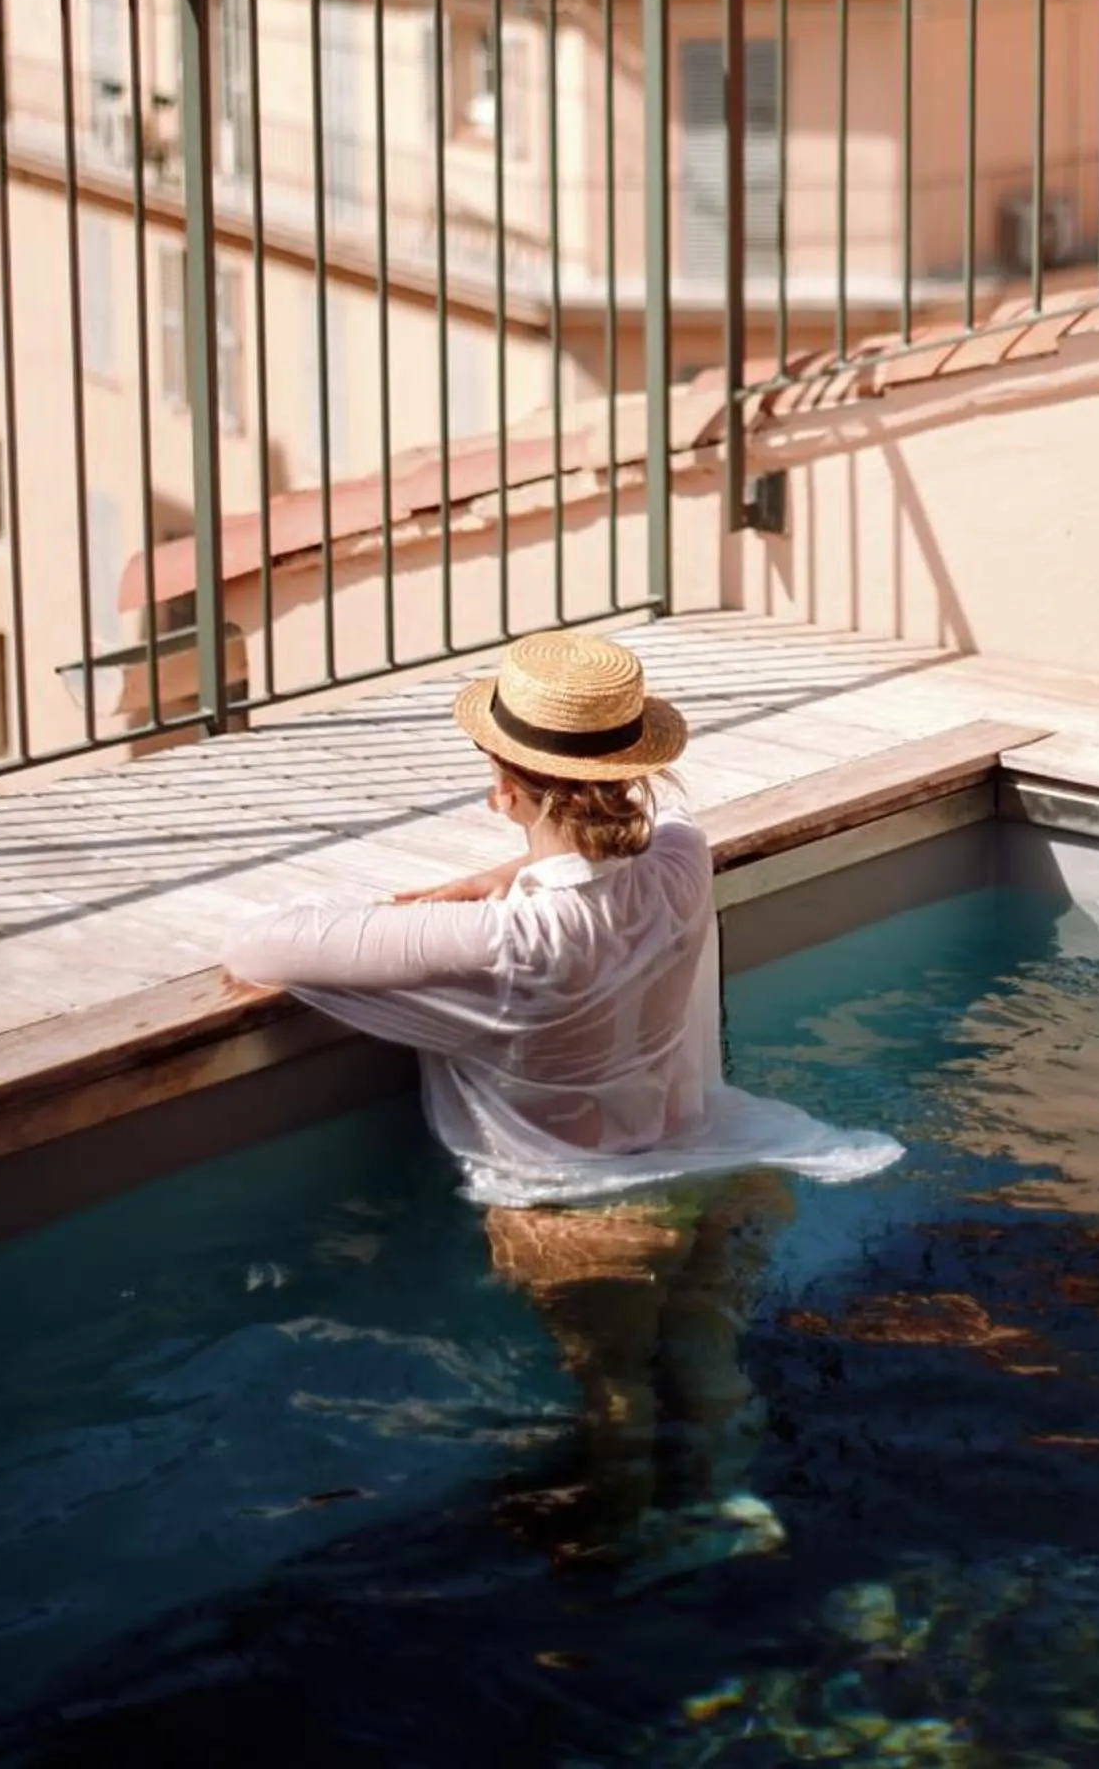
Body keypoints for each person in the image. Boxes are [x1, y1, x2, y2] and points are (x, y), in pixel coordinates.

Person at [221, 628, 900, 1564]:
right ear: (634, 769)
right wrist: (504, 875)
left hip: (586, 1216)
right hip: (719, 1168)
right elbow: (631, 846)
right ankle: (735, 1508)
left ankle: (629, 1550)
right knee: (710, 1369)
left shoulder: (515, 940)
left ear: (504, 789)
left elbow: (260, 944)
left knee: (617, 1399)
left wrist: (478, 890)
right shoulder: (682, 863)